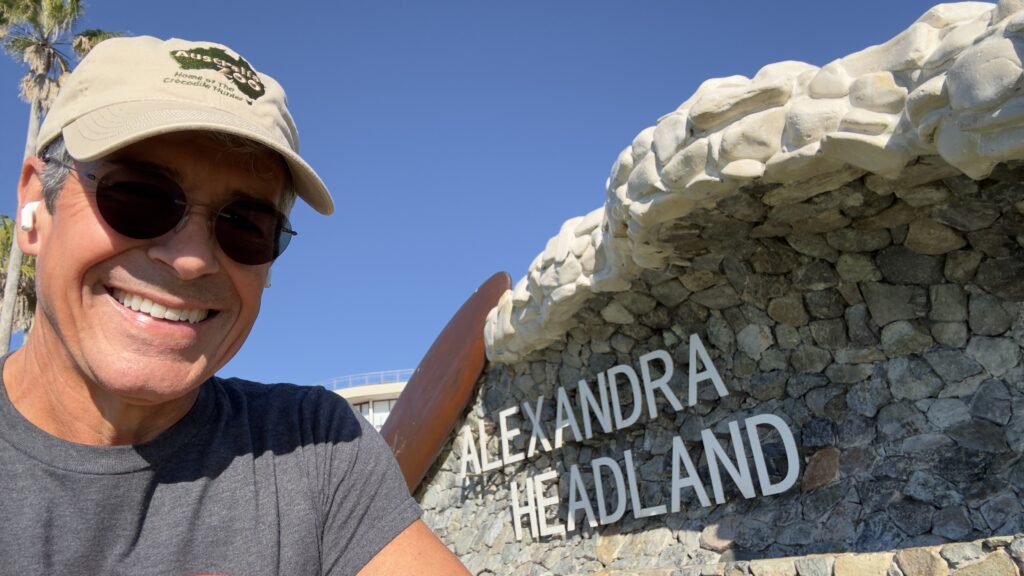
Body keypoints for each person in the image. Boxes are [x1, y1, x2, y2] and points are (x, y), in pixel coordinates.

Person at [0, 36, 469, 575]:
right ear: (37, 202)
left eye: (245, 225)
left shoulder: (310, 446)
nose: (193, 258)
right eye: (138, 197)